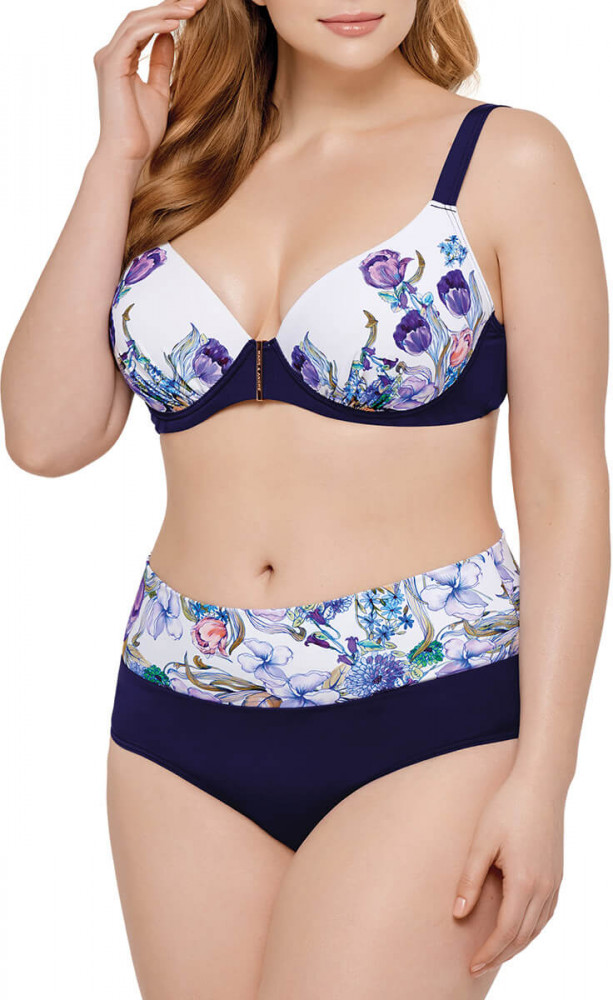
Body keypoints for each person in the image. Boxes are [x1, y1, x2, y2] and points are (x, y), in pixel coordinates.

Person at [1, 1, 609, 997]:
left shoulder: (508, 160)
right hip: (180, 716)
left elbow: (564, 485)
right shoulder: (177, 167)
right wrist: (118, 160)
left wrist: (545, 780)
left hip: (424, 715)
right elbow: (43, 435)